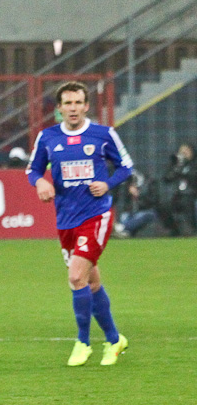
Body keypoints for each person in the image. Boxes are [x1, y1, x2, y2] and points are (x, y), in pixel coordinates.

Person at [26, 80, 132, 367]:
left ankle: (83, 342)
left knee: (75, 277)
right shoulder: (47, 137)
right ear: (59, 109)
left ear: (86, 106)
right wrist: (40, 183)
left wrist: (107, 183)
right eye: (67, 103)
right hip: (66, 219)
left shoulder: (103, 135)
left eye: (78, 103)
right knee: (90, 281)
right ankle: (114, 340)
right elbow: (33, 170)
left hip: (96, 215)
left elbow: (126, 166)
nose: (73, 108)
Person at [157, 142, 196, 236]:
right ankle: (174, 229)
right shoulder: (176, 165)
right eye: (182, 152)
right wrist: (178, 166)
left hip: (192, 195)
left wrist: (184, 169)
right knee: (163, 206)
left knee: (187, 203)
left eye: (186, 151)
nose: (184, 154)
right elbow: (167, 178)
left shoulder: (194, 165)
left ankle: (191, 230)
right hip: (178, 196)